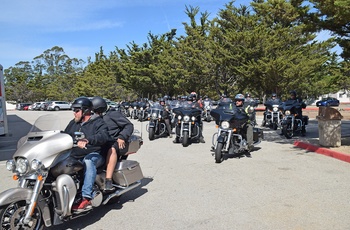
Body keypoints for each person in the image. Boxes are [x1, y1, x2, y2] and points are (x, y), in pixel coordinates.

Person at [64, 97, 110, 212]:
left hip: (94, 154)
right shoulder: (73, 123)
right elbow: (64, 135)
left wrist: (88, 140)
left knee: (88, 161)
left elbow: (103, 136)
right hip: (75, 154)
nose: (74, 113)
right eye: (74, 110)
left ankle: (86, 197)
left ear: (85, 111)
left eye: (77, 110)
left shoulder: (98, 122)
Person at [91, 96, 134, 191]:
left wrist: (122, 137)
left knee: (112, 149)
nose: (93, 112)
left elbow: (129, 125)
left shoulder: (113, 114)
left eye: (95, 110)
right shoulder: (95, 117)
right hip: (101, 141)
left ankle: (108, 180)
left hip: (114, 141)